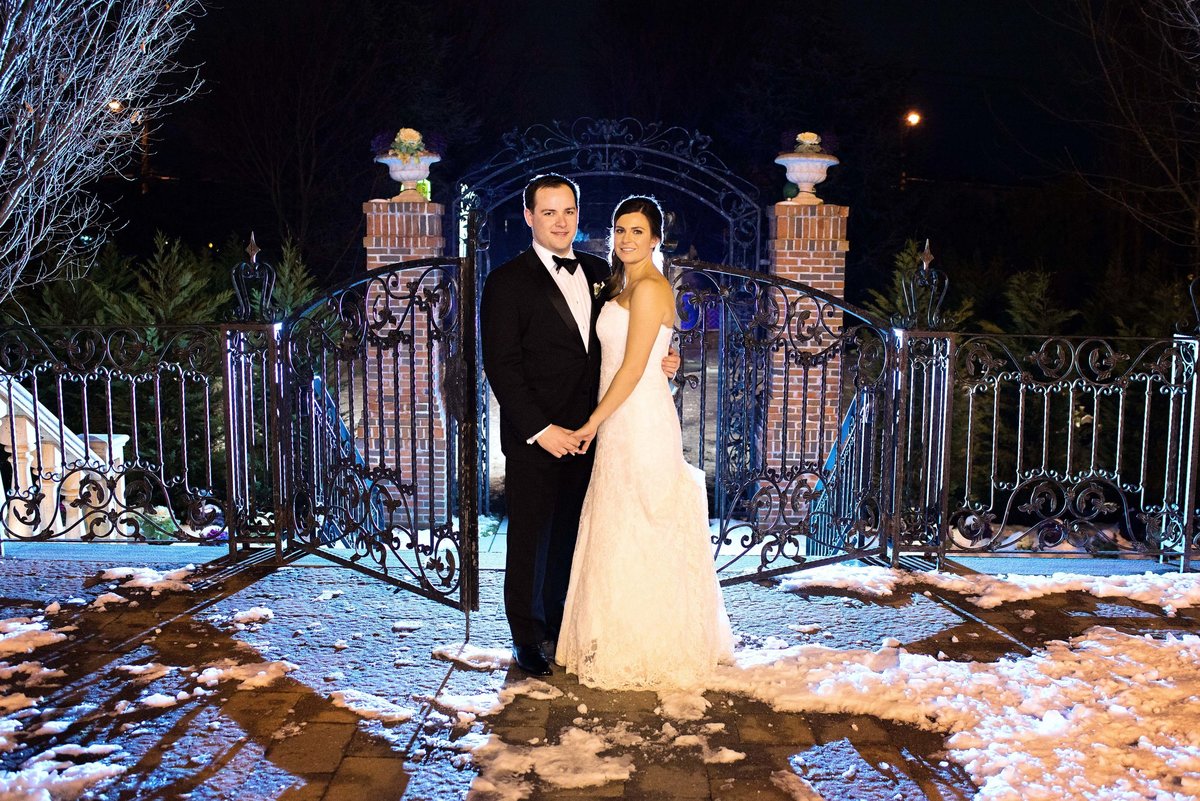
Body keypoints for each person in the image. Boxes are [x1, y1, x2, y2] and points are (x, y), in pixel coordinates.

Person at [479, 175, 679, 677]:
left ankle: (561, 624)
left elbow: (626, 339)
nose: (561, 221)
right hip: (538, 436)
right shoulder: (506, 281)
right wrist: (539, 429)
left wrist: (665, 356)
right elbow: (502, 367)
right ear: (529, 217)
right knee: (528, 536)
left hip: (595, 434)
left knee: (574, 533)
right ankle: (525, 636)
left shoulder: (600, 272)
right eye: (549, 212)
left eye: (568, 211)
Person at [557, 196, 734, 690]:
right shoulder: (619, 283)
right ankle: (610, 634)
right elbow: (640, 356)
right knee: (617, 522)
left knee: (643, 521)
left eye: (638, 231)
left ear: (655, 239)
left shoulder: (653, 287)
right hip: (621, 415)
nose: (627, 239)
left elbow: (635, 369)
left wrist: (591, 422)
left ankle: (652, 642)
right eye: (620, 229)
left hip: (638, 418)